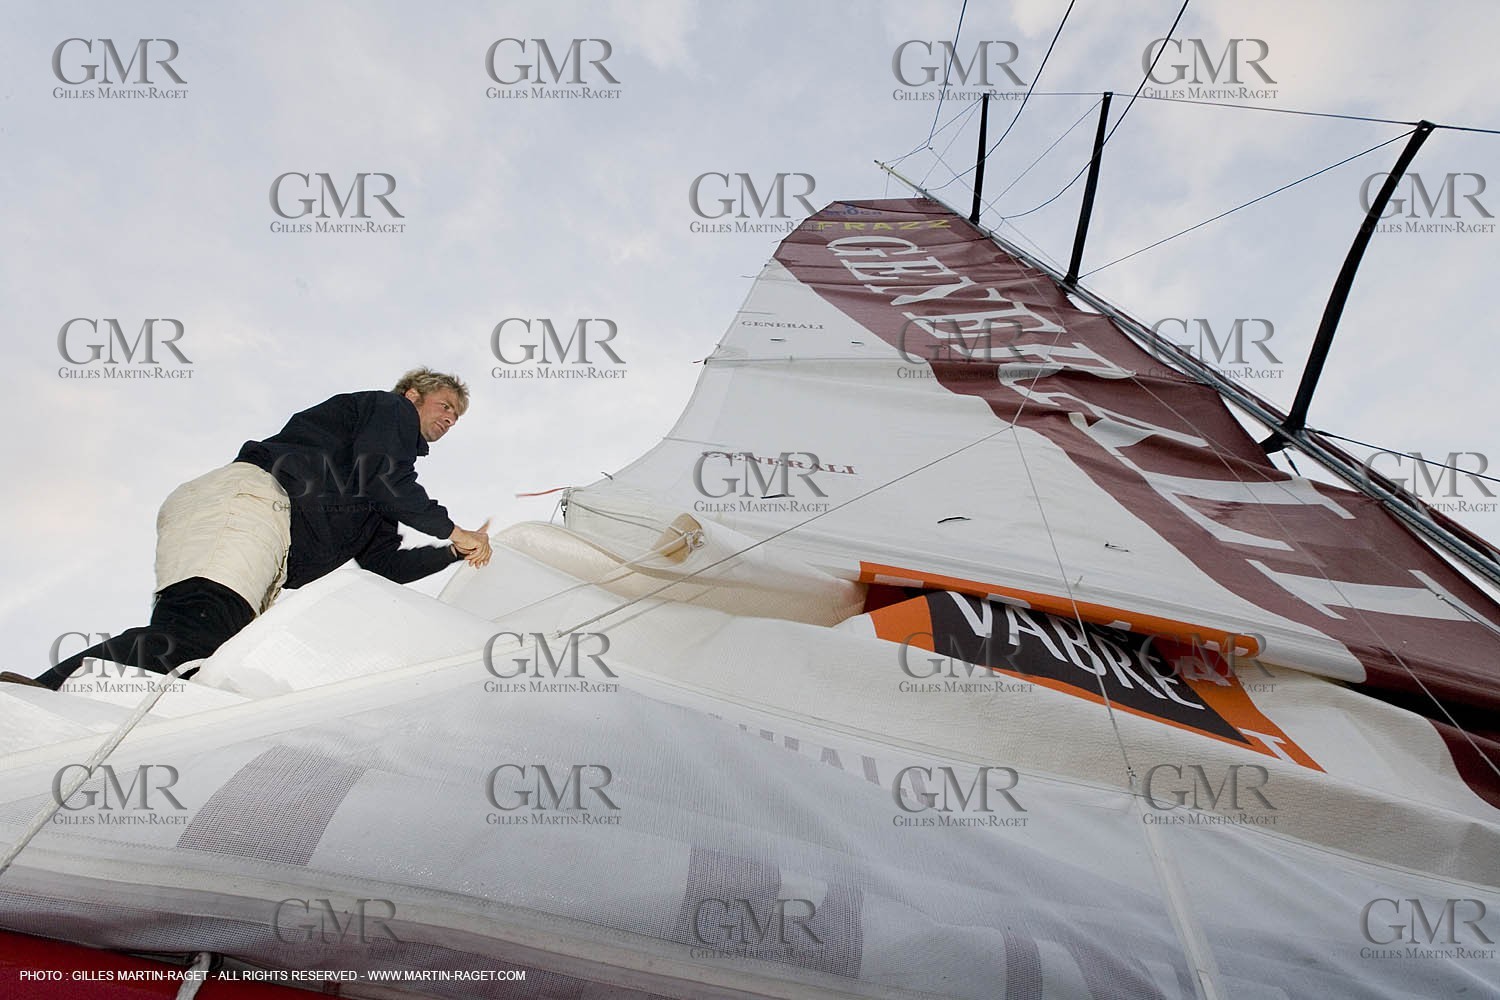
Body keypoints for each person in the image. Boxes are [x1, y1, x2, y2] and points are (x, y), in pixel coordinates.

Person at [17, 368, 492, 690]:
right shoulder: (388, 414)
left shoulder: (376, 493)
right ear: (413, 395)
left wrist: (452, 553)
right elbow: (385, 476)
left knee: (206, 658)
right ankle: (39, 694)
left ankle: (73, 715)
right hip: (249, 503)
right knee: (194, 638)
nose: (449, 417)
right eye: (445, 404)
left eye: (456, 415)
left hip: (259, 534)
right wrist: (454, 530)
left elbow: (383, 564)